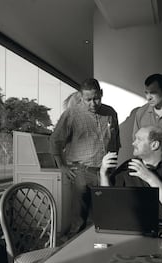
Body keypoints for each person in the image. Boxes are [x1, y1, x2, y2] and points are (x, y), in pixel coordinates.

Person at [50, 78, 120, 235]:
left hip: (106, 173)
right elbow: (55, 141)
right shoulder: (71, 114)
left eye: (96, 98)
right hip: (82, 173)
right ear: (81, 97)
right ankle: (77, 253)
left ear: (101, 94)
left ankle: (102, 252)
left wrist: (112, 165)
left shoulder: (110, 113)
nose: (93, 103)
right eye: (88, 100)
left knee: (106, 218)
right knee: (79, 221)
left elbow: (116, 142)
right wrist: (62, 166)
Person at [100, 126, 162, 221]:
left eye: (139, 139)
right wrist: (103, 174)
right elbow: (108, 203)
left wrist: (150, 178)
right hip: (133, 227)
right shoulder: (129, 166)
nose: (133, 143)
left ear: (154, 145)